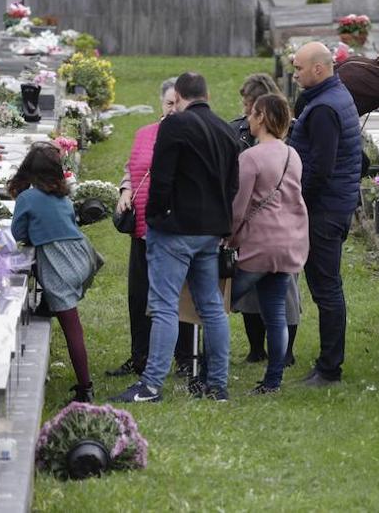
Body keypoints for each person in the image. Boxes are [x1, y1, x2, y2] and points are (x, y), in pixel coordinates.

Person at [113, 71, 241, 403]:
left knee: (165, 306)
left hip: (174, 229)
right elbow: (232, 185)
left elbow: (163, 178)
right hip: (211, 230)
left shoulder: (174, 124)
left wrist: (154, 217)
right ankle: (218, 384)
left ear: (180, 96)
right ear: (207, 95)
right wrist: (222, 224)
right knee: (211, 306)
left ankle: (151, 385)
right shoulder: (227, 129)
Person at [108, 79, 197, 380]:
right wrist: (124, 190)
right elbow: (132, 168)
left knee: (178, 295)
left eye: (177, 103)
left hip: (174, 228)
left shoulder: (191, 135)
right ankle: (140, 356)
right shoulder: (144, 134)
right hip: (143, 226)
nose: (173, 109)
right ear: (161, 104)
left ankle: (185, 357)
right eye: (168, 104)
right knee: (139, 295)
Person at [288, 42, 362, 386]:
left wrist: (296, 201)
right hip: (336, 203)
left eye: (299, 69)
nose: (295, 74)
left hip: (324, 210)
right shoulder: (336, 95)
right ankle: (329, 362)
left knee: (326, 287)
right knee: (327, 285)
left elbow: (319, 168)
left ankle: (330, 367)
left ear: (319, 69)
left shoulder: (323, 109)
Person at [228, 94, 308, 394]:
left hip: (258, 245)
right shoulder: (292, 155)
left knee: (215, 305)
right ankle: (273, 380)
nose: (247, 117)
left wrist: (230, 238)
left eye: (252, 113)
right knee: (275, 313)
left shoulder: (250, 157)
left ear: (261, 117)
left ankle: (211, 371)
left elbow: (239, 206)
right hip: (288, 243)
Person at [10, 143, 98, 403]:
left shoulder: (28, 198)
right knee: (70, 321)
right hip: (82, 256)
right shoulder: (64, 197)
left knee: (72, 328)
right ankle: (46, 303)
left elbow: (18, 233)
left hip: (59, 264)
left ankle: (86, 388)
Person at [231, 73, 281, 150]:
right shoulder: (234, 132)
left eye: (247, 105)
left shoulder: (291, 133)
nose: (245, 111)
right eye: (244, 104)